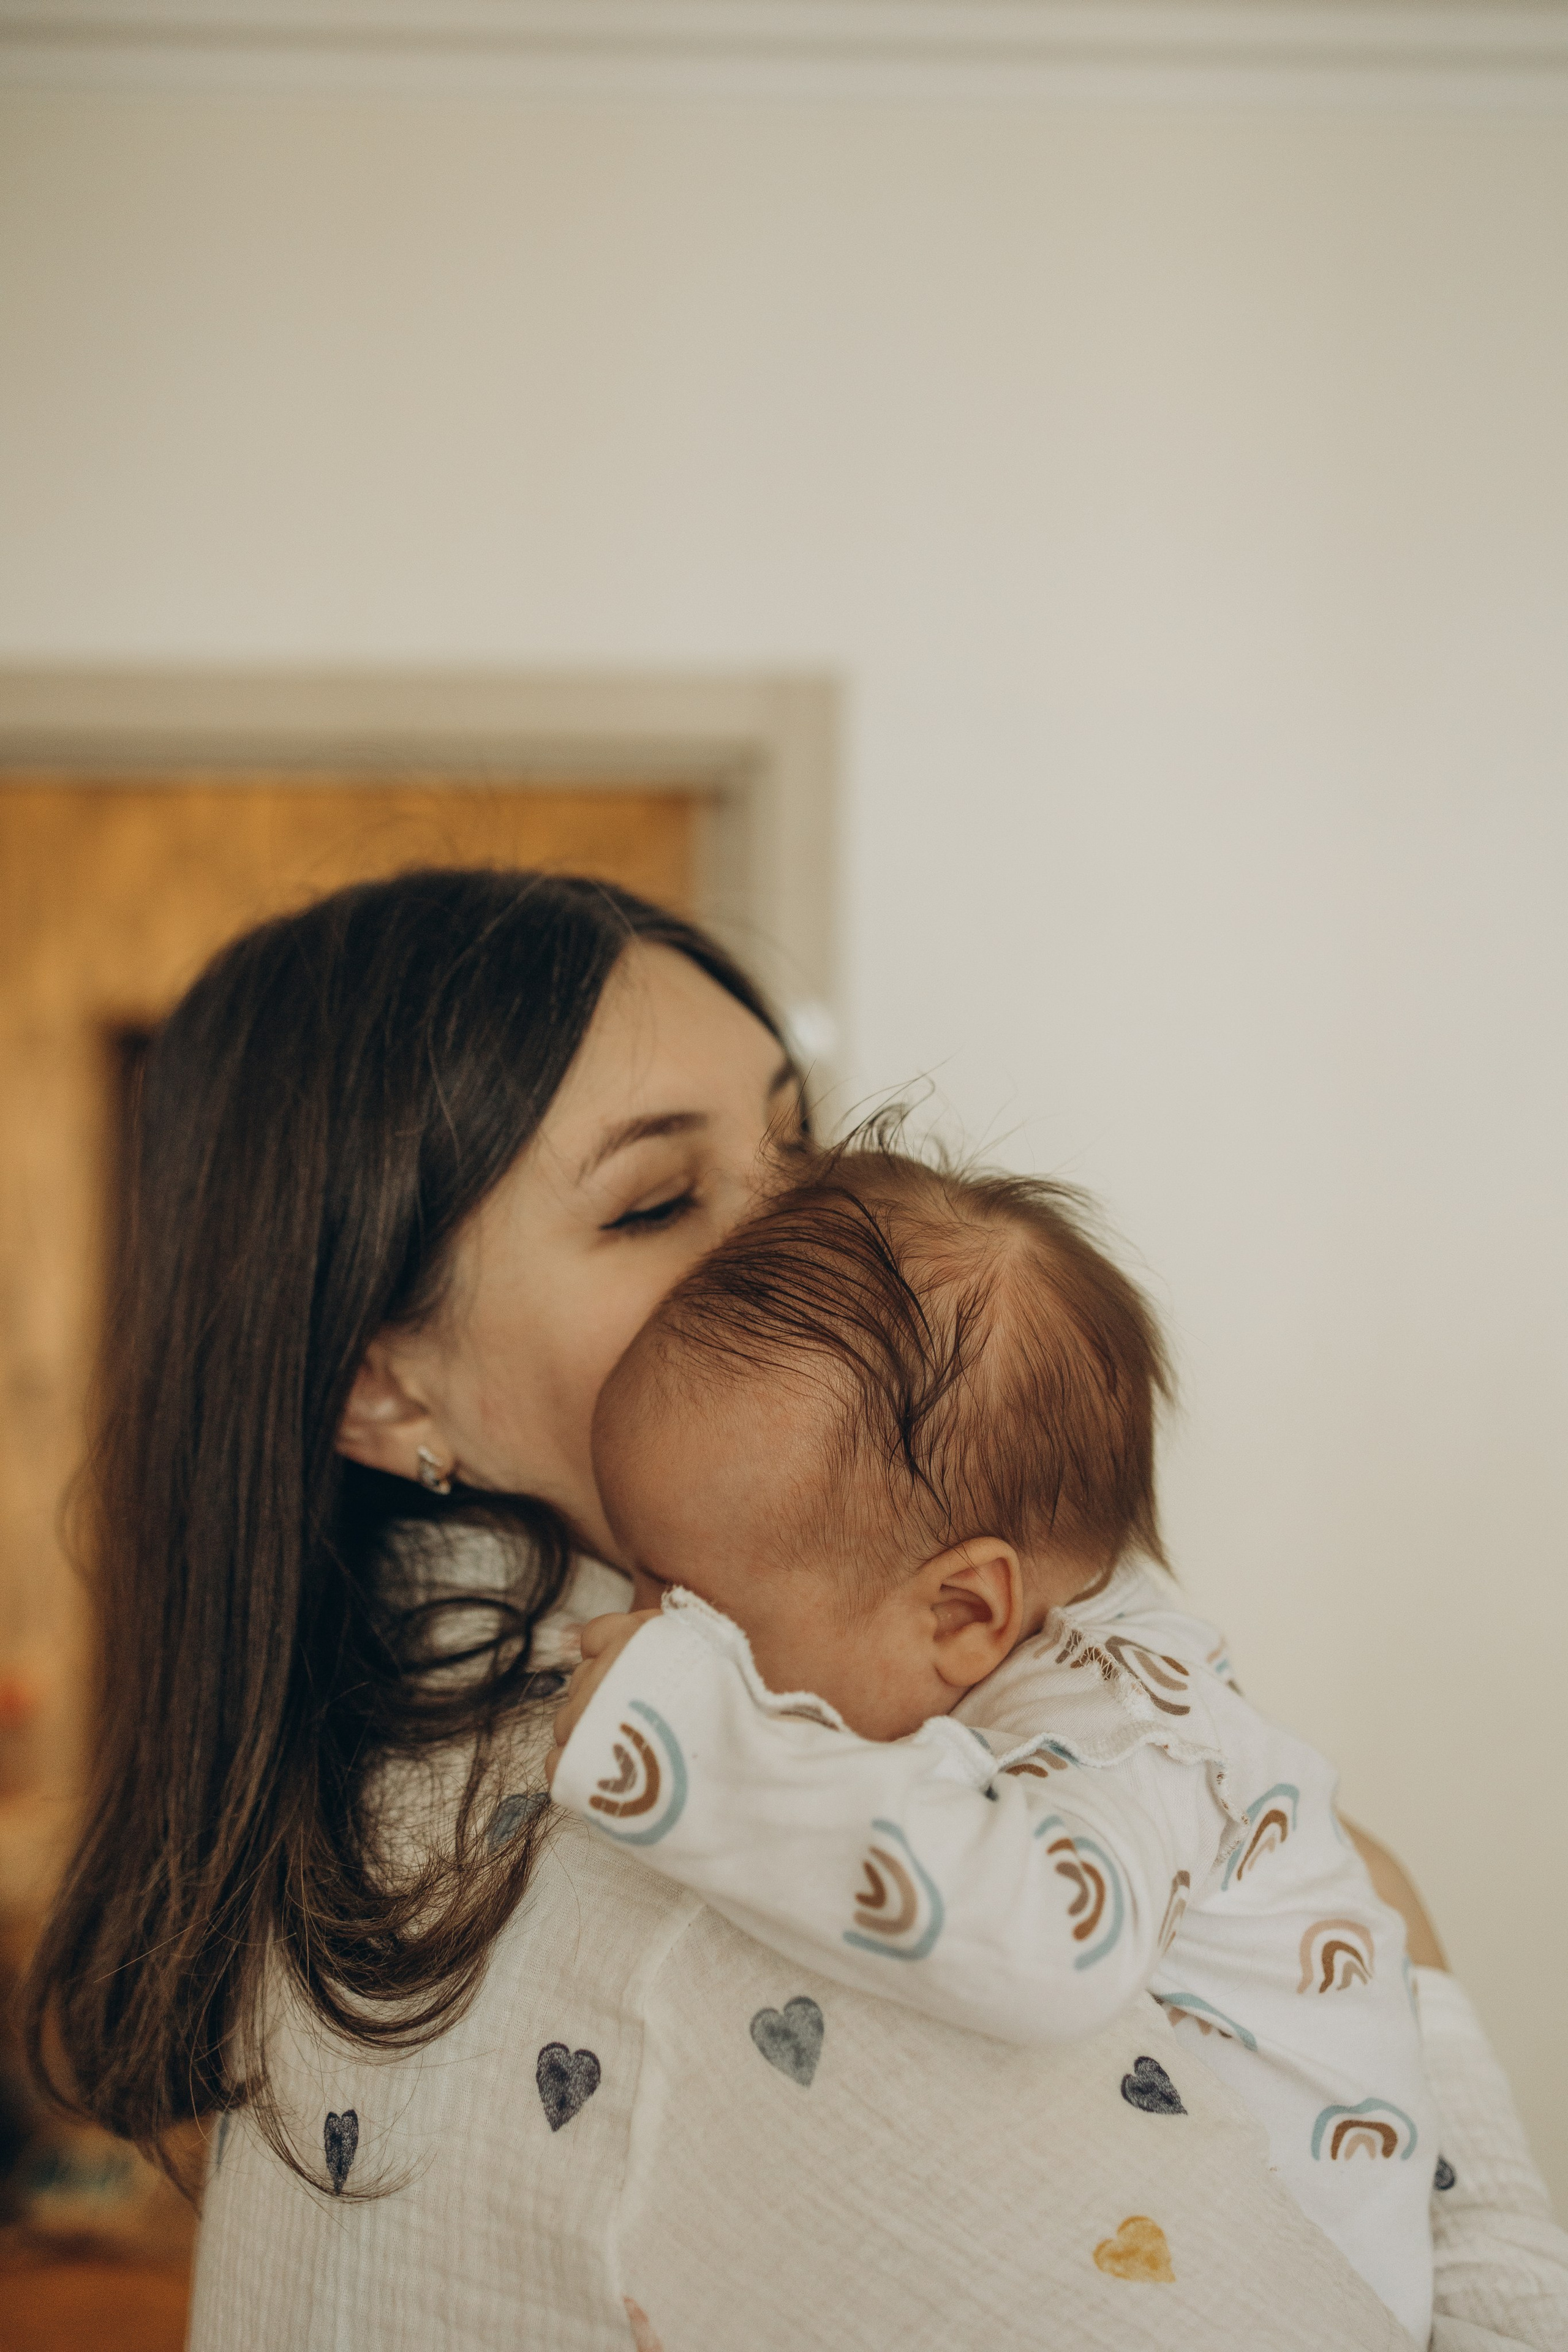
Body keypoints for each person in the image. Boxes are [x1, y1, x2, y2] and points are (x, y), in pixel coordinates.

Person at [23, 870, 1565, 2350]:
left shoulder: (487, 1778)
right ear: (383, 1381)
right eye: (653, 1204)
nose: (794, 1245)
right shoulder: (660, 1835)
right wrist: (1394, 1955)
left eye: (796, 1153)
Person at [546, 1144, 1434, 2339]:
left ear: (960, 1614)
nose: (641, 1626)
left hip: (1298, 2292)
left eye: (681, 1602)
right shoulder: (988, 1645)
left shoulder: (1129, 1735)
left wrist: (686, 1748)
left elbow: (1045, 1947)